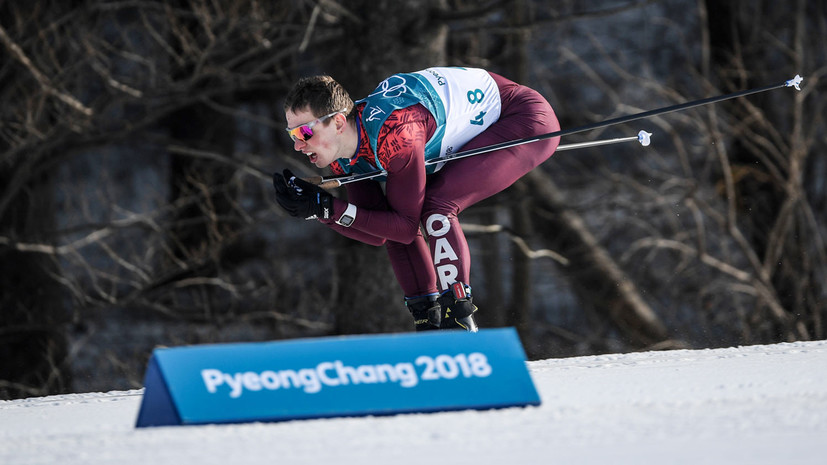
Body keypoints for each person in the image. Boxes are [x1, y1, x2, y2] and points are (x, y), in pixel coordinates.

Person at [273, 67, 560, 332]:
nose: (298, 145)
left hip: (521, 116)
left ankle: (458, 316)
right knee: (395, 216)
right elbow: (380, 232)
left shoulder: (395, 132)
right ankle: (427, 318)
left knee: (436, 205)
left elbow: (407, 226)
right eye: (292, 134)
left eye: (305, 132)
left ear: (337, 122)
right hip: (473, 120)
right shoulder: (344, 153)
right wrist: (320, 212)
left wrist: (329, 207)